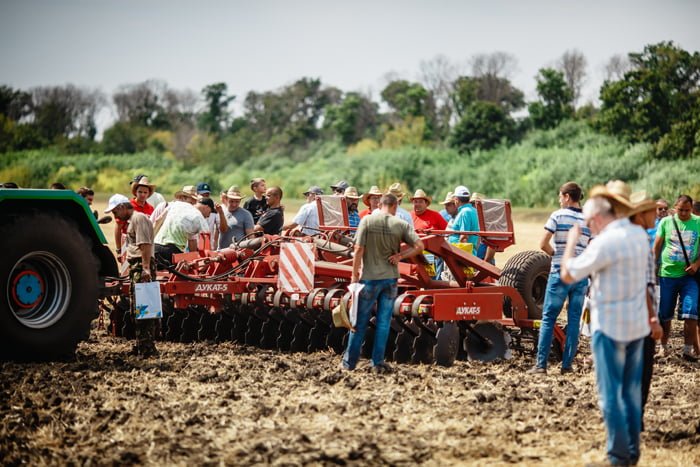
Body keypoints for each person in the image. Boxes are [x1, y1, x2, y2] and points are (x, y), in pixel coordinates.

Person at [560, 186, 654, 466]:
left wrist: (570, 244)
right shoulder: (639, 234)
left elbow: (568, 274)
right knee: (631, 390)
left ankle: (617, 455)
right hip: (637, 325)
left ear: (598, 218)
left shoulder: (605, 242)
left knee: (610, 394)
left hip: (609, 326)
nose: (588, 227)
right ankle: (632, 451)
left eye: (589, 223)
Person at [342, 193, 424, 373]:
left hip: (369, 278)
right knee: (384, 323)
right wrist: (400, 256)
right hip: (390, 279)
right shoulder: (400, 224)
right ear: (395, 206)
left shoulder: (368, 221)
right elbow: (420, 246)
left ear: (380, 204)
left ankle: (350, 363)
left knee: (359, 322)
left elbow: (358, 250)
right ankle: (377, 362)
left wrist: (354, 275)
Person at [529, 182, 591, 375]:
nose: (559, 200)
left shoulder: (558, 215)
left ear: (566, 196)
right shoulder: (589, 220)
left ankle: (541, 365)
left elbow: (543, 243)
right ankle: (567, 365)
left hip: (560, 273)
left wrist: (556, 254)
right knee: (573, 321)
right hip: (580, 276)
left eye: (559, 196)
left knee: (548, 319)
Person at [627, 191, 665, 431]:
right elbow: (641, 283)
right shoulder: (639, 241)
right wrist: (652, 318)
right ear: (640, 214)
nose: (657, 214)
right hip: (639, 316)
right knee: (641, 371)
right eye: (652, 210)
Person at [104, 194, 158, 357]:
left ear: (122, 207)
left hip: (141, 266)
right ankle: (141, 344)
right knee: (137, 306)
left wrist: (146, 268)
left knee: (145, 307)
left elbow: (145, 245)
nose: (114, 216)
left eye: (115, 212)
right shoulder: (132, 220)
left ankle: (147, 347)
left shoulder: (138, 219)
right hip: (137, 265)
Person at [653, 194, 700, 360]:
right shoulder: (666, 222)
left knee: (691, 311)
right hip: (667, 275)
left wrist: (696, 265)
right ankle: (663, 347)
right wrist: (652, 267)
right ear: (675, 207)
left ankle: (687, 350)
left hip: (689, 277)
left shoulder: (698, 222)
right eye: (680, 210)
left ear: (692, 208)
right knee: (665, 313)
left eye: (687, 210)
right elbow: (657, 247)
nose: (684, 214)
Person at [153, 196, 211, 268]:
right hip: (172, 252)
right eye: (210, 212)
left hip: (155, 247)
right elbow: (205, 240)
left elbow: (158, 220)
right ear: (206, 207)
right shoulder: (199, 218)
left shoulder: (176, 204)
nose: (208, 216)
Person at [115, 175, 156, 256]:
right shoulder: (127, 206)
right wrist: (119, 249)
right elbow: (118, 227)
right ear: (135, 192)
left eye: (145, 192)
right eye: (140, 192)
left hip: (145, 245)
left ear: (148, 194)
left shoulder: (151, 209)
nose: (143, 195)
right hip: (128, 244)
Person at [447, 185, 479, 251]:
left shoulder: (465, 212)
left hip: (461, 253)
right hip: (467, 251)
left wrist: (461, 257)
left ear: (456, 200)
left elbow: (464, 237)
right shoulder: (473, 210)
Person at [196, 182, 226, 248]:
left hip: (208, 246)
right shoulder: (192, 208)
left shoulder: (213, 209)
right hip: (193, 245)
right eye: (202, 195)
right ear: (197, 194)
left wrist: (221, 213)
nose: (205, 197)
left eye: (207, 195)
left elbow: (222, 230)